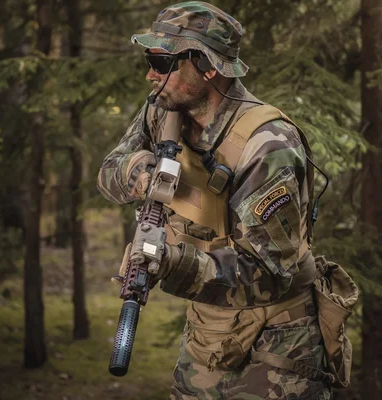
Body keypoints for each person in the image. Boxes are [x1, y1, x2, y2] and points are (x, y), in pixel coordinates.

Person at [97, 2, 333, 399]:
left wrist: (170, 261)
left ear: (207, 67)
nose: (150, 73)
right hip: (208, 334)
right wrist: (142, 174)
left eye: (162, 59)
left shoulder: (266, 145)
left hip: (276, 350)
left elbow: (272, 275)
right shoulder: (163, 109)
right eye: (149, 57)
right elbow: (109, 171)